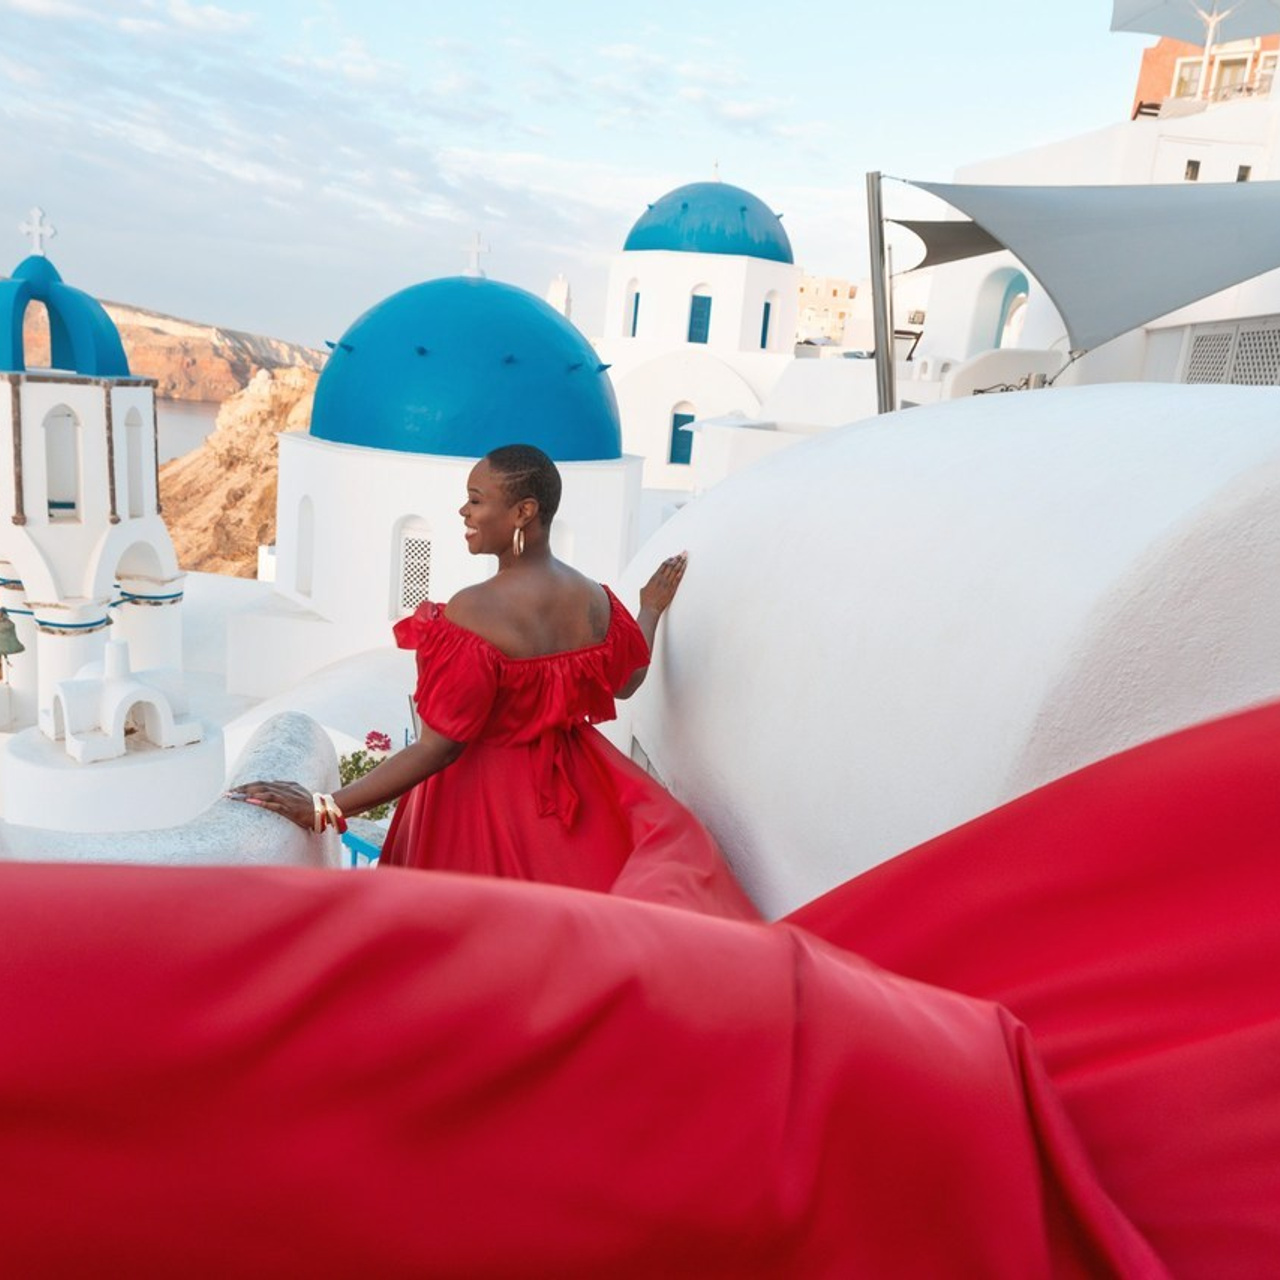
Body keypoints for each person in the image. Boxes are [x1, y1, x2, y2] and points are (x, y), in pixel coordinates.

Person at [232, 444, 756, 920]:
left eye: (477, 500)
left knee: (465, 950)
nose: (464, 512)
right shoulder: (594, 599)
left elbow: (438, 748)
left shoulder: (473, 611)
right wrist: (648, 610)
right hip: (570, 798)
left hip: (476, 801)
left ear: (524, 511)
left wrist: (326, 807)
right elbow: (628, 682)